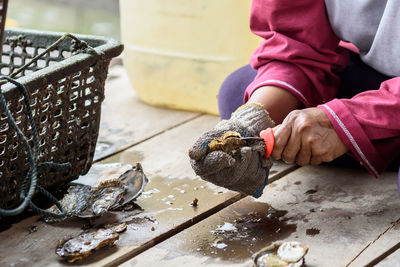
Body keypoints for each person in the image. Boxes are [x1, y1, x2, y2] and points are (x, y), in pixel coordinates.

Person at [189, 0, 400, 197]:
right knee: (236, 94)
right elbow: (294, 37)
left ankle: (373, 142)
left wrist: (348, 122)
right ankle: (376, 144)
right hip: (381, 75)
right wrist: (251, 121)